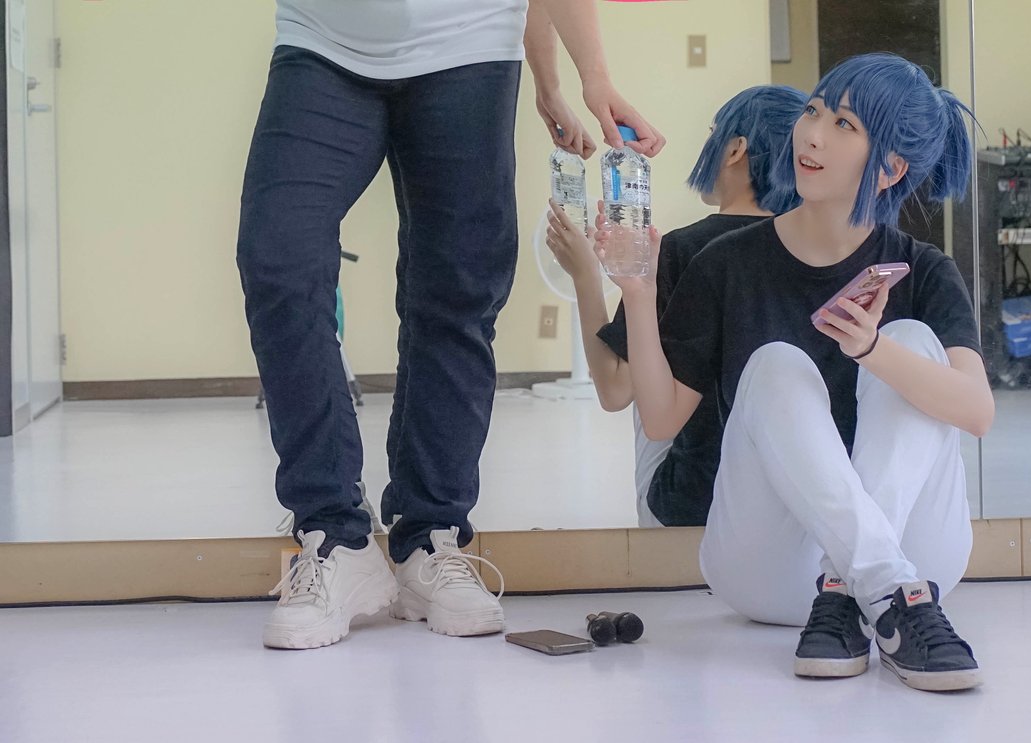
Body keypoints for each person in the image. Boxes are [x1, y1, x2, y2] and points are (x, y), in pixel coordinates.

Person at [238, 0, 664, 649]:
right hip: (322, 42)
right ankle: (333, 536)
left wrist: (579, 78)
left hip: (470, 48)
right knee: (277, 256)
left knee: (458, 285)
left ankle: (429, 537)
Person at [604, 52, 992, 691]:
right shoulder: (726, 263)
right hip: (775, 573)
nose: (811, 134)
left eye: (843, 125)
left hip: (915, 554)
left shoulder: (924, 270)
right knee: (776, 364)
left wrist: (873, 350)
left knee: (912, 341)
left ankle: (859, 583)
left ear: (890, 168)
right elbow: (663, 418)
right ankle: (883, 587)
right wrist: (640, 296)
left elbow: (976, 412)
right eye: (813, 111)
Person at [544, 85, 807, 527]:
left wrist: (585, 275)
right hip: (791, 507)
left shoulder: (680, 251)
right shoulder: (809, 250)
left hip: (690, 501)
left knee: (649, 388)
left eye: (714, 133)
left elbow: (614, 390)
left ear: (735, 150)